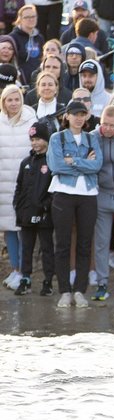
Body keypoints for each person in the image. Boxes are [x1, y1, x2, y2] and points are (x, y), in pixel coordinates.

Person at [48, 100, 103, 308]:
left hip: (88, 193)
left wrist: (74, 161)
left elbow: (97, 165)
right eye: (75, 114)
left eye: (83, 114)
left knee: (84, 243)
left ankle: (80, 290)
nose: (79, 118)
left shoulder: (91, 138)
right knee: (62, 243)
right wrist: (84, 162)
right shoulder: (57, 138)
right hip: (63, 193)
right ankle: (64, 291)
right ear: (67, 116)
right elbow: (56, 165)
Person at [0, 86, 36, 289]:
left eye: (16, 99)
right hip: (4, 184)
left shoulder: (32, 120)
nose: (13, 103)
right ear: (3, 102)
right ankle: (15, 270)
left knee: (25, 231)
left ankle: (25, 272)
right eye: (9, 100)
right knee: (9, 230)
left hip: (25, 186)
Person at [14, 120, 54, 296]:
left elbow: (55, 189)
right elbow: (19, 186)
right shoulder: (26, 162)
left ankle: (48, 281)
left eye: (38, 139)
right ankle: (26, 279)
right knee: (27, 246)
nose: (35, 143)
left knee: (46, 247)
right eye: (32, 139)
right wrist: (18, 205)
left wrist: (46, 206)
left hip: (45, 213)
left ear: (46, 139)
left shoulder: (52, 161)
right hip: (26, 212)